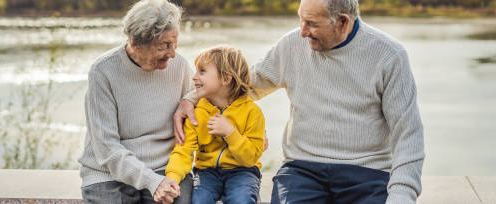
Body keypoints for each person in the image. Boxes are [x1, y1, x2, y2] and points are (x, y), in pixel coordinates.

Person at [173, 0, 425, 203]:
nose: (302, 32)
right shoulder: (294, 44)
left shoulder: (389, 55)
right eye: (300, 20)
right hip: (302, 170)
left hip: (367, 172)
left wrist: (402, 195)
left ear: (342, 22)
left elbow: (408, 134)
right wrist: (190, 98)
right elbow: (239, 85)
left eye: (311, 24)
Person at [78, 0, 194, 203]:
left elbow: (209, 98)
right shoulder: (104, 71)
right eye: (165, 46)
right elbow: (107, 148)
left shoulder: (180, 66)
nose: (173, 53)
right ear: (135, 43)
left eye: (175, 44)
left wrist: (190, 99)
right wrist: (151, 181)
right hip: (107, 173)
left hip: (166, 169)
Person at [165, 46, 265, 204]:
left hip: (243, 171)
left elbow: (250, 158)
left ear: (226, 79)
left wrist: (230, 133)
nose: (194, 77)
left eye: (202, 71)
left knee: (242, 200)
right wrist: (172, 177)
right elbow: (183, 152)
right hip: (207, 172)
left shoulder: (252, 112)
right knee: (199, 200)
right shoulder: (197, 113)